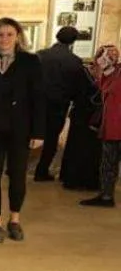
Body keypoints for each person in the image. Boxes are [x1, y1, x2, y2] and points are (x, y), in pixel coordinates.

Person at [0, 18, 45, 243]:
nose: (4, 39)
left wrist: (38, 132)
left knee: (18, 175)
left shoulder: (30, 62)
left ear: (18, 37)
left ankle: (14, 219)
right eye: (0, 34)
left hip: (20, 129)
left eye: (9, 34)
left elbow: (39, 98)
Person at [34, 27, 85, 181]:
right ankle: (41, 171)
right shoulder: (75, 61)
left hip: (37, 102)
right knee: (51, 139)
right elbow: (77, 87)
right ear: (73, 41)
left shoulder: (40, 55)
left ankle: (13, 168)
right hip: (58, 104)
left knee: (28, 134)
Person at [80, 44, 121, 208]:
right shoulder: (107, 75)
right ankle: (106, 195)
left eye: (108, 57)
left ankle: (106, 195)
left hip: (115, 124)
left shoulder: (116, 74)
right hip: (111, 125)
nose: (103, 60)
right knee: (108, 162)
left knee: (109, 162)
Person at [59, 63, 103, 192]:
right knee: (84, 148)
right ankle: (81, 180)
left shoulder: (83, 73)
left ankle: (77, 179)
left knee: (83, 148)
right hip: (87, 117)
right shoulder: (83, 73)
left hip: (86, 116)